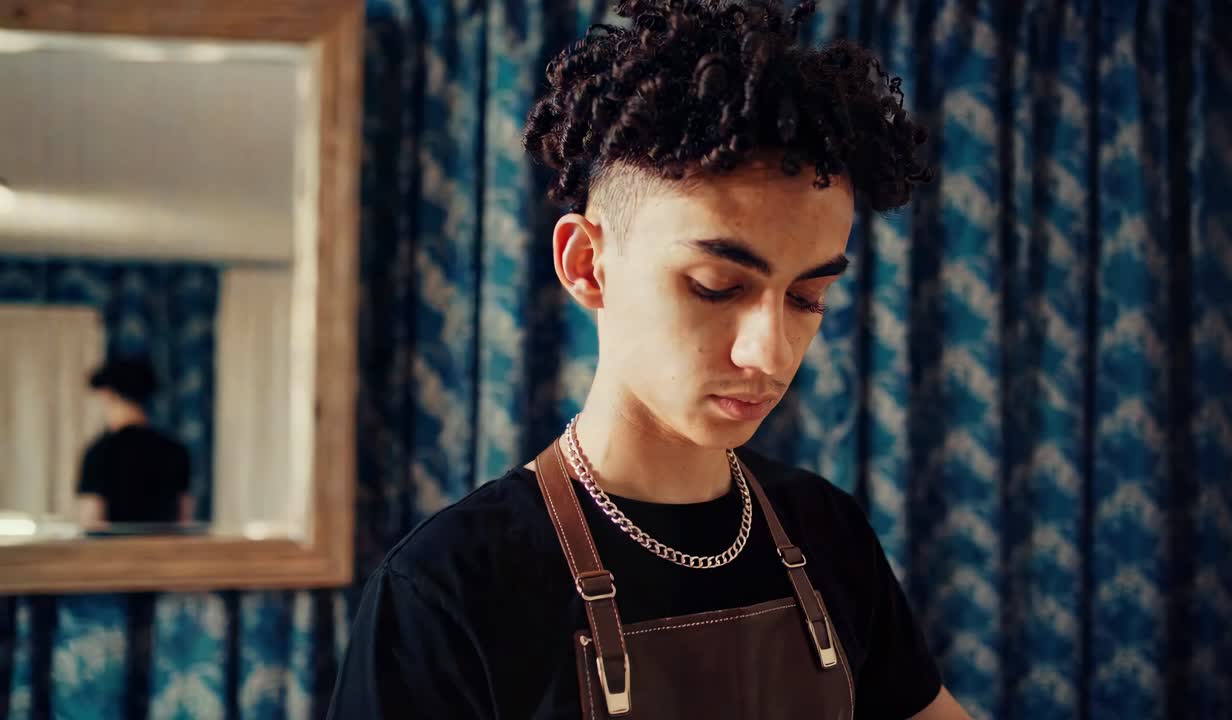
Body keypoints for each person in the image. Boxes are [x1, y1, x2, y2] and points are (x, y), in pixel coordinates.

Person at [330, 0, 970, 717]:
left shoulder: (829, 533)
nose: (770, 351)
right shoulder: (446, 590)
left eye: (807, 297)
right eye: (717, 286)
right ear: (587, 264)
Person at [77, 355, 193, 527]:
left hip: (113, 552)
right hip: (164, 550)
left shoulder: (99, 452)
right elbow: (184, 518)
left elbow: (91, 520)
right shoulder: (175, 450)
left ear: (108, 394)